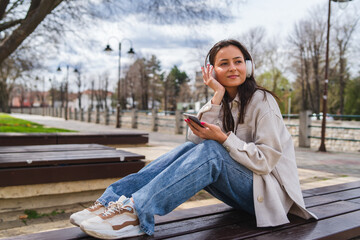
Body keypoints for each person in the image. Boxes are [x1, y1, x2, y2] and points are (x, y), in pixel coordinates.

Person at [70, 39, 317, 239]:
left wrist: (224, 139)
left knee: (213, 150)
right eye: (224, 63)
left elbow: (265, 161)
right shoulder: (224, 102)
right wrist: (217, 97)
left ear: (248, 66)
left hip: (270, 197)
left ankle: (136, 213)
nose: (232, 68)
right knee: (192, 147)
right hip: (246, 191)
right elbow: (194, 143)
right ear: (212, 71)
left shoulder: (263, 101)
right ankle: (110, 201)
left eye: (238, 61)